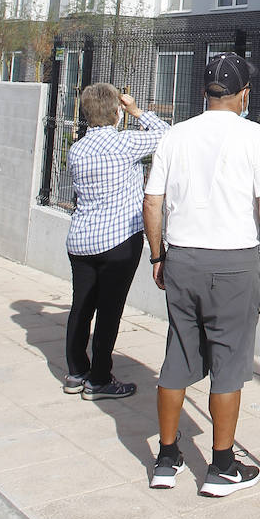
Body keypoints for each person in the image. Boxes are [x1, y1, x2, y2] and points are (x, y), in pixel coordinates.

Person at [142, 52, 260, 496]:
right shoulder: (255, 136)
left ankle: (166, 459)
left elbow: (152, 202)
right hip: (233, 260)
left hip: (182, 256)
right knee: (228, 359)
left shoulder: (175, 135)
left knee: (178, 353)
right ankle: (221, 466)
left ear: (206, 92)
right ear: (243, 94)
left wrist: (156, 255)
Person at [63, 83, 169, 399]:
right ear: (116, 113)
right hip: (119, 241)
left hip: (81, 240)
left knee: (81, 306)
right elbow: (166, 134)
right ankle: (99, 379)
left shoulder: (76, 150)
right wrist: (136, 110)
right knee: (109, 310)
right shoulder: (126, 144)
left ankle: (75, 371)